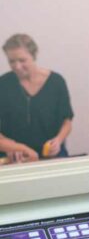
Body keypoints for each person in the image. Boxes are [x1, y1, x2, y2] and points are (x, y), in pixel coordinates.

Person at [0, 34, 73, 163]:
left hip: (50, 154)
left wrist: (58, 140)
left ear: (33, 56)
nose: (17, 66)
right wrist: (12, 147)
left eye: (22, 60)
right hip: (14, 155)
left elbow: (67, 121)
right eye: (12, 61)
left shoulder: (56, 82)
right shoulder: (3, 84)